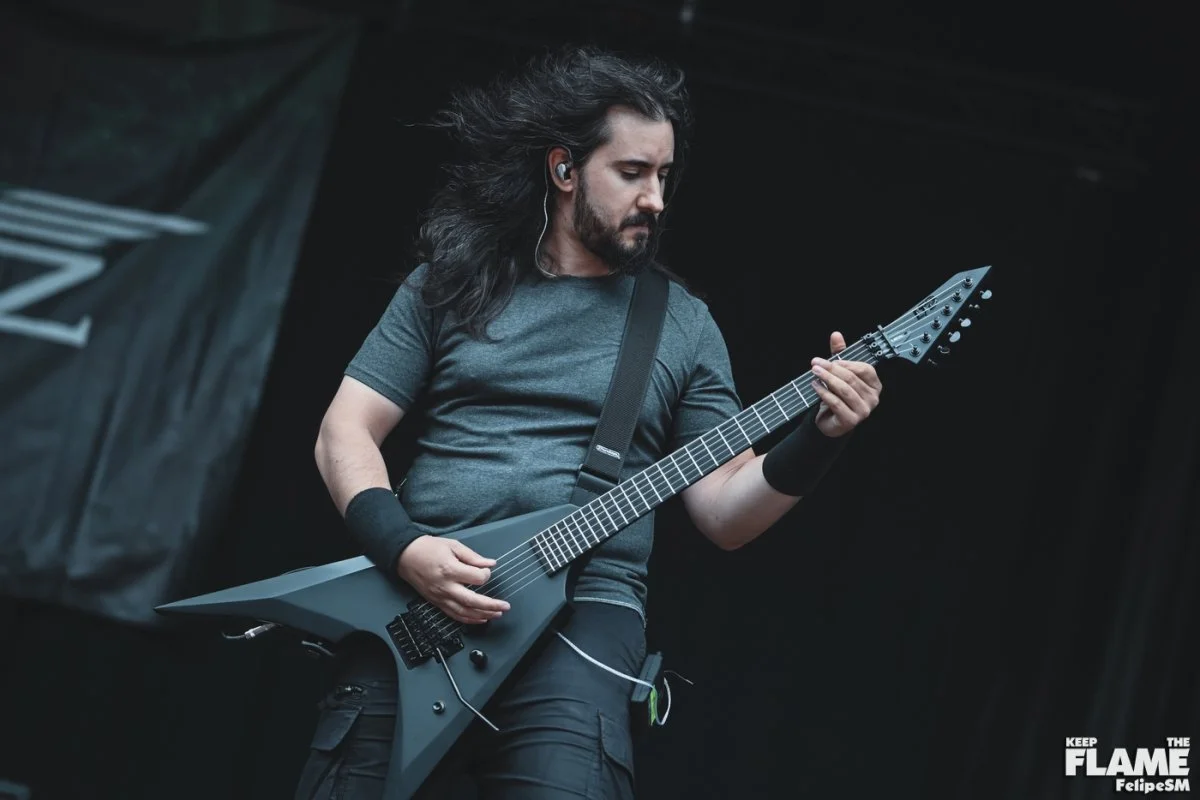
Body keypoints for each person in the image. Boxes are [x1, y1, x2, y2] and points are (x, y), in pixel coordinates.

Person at [296, 43, 883, 800]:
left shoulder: (683, 326)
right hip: (417, 604)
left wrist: (823, 437)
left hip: (587, 616)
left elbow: (725, 514)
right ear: (564, 169)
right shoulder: (450, 283)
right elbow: (343, 432)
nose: (656, 199)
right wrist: (405, 549)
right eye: (633, 173)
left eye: (664, 175)